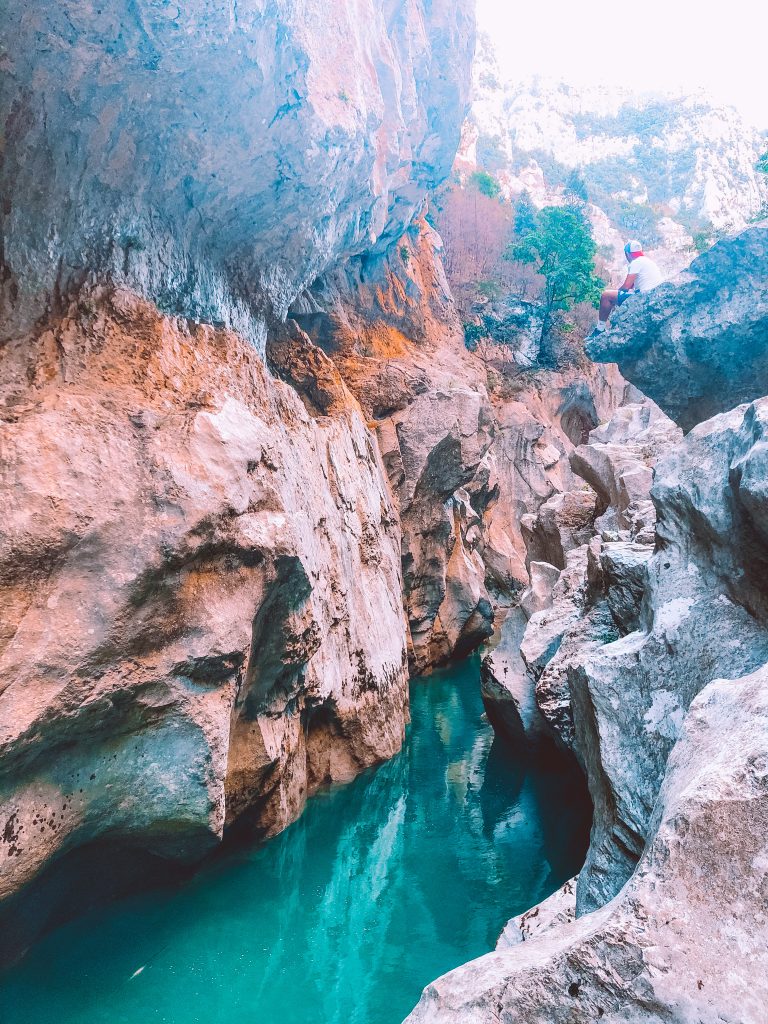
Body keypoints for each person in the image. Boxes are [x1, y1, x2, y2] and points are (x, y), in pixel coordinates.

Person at [588, 240, 663, 338]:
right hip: (655, 296)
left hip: (644, 297)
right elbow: (631, 287)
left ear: (627, 254)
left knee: (606, 295)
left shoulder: (635, 263)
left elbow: (626, 287)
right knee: (615, 296)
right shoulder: (648, 262)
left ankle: (600, 329)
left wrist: (614, 299)